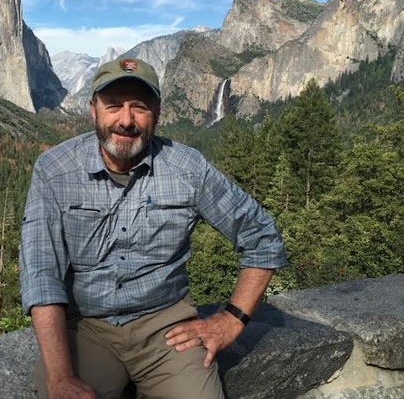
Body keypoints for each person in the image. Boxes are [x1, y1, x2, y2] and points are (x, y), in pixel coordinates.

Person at [20, 58, 287, 399]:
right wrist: (59, 376)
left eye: (140, 107)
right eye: (114, 105)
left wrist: (231, 320)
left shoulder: (187, 168)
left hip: (167, 327)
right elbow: (41, 274)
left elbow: (262, 236)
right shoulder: (54, 170)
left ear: (157, 112)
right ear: (93, 110)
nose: (126, 120)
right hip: (85, 328)